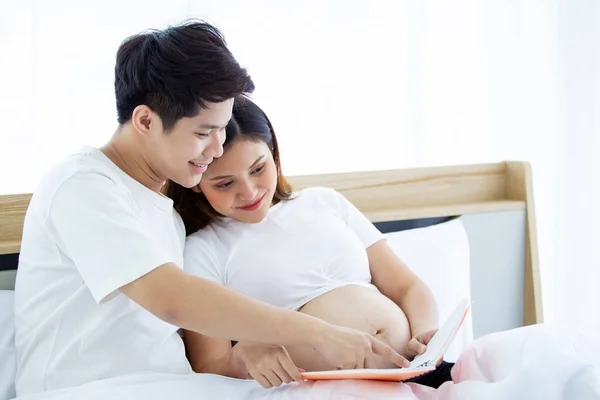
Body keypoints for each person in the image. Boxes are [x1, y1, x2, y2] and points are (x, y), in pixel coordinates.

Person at [12, 20, 408, 397]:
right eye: (203, 132)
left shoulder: (167, 215)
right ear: (146, 121)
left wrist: (241, 356)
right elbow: (171, 298)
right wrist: (319, 333)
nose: (217, 149)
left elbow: (190, 343)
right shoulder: (82, 185)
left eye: (222, 129)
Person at [167, 96, 455, 390]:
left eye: (258, 169)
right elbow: (209, 365)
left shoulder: (325, 202)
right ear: (197, 182)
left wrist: (426, 337)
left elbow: (408, 287)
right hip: (331, 390)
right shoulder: (203, 249)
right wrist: (243, 357)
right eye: (225, 184)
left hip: (416, 370)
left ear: (274, 154)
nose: (249, 191)